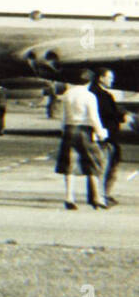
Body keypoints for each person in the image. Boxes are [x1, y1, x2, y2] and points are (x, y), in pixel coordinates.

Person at [55, 69, 108, 210]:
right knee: (94, 162)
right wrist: (101, 133)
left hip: (69, 129)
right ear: (89, 81)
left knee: (69, 164)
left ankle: (69, 197)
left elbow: (63, 116)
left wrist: (63, 130)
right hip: (85, 131)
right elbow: (93, 117)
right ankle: (97, 198)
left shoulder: (67, 95)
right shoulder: (89, 96)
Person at [90, 67, 129, 206]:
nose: (112, 80)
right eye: (109, 77)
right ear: (101, 78)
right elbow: (106, 113)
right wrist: (122, 116)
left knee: (108, 166)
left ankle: (103, 194)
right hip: (105, 136)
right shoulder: (99, 95)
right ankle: (101, 195)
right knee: (104, 167)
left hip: (109, 135)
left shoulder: (100, 94)